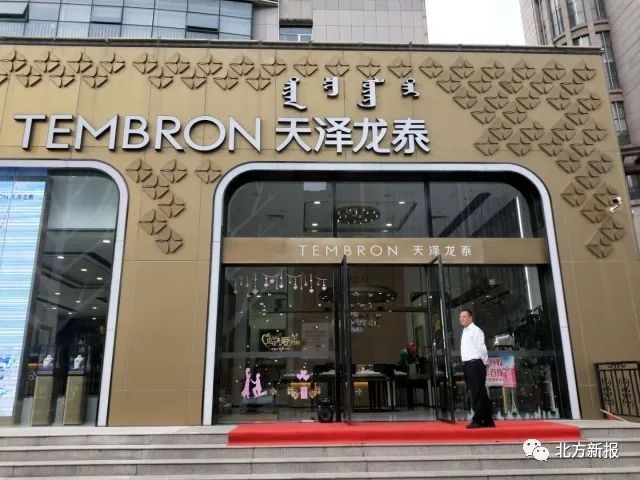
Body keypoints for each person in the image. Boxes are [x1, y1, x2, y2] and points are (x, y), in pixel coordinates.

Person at [459, 309, 495, 428]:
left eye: (464, 316)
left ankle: (478, 419)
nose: (461, 319)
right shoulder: (465, 331)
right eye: (460, 317)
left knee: (477, 393)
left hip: (476, 363)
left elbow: (482, 348)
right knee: (480, 392)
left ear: (470, 318)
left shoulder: (476, 330)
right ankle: (488, 420)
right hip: (468, 364)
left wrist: (483, 363)